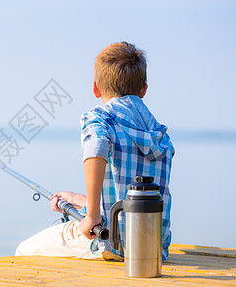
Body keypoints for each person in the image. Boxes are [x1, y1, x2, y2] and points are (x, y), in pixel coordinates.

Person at [15, 42, 174, 261]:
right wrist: (77, 199)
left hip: (111, 242)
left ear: (95, 88)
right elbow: (129, 196)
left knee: (24, 250)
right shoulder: (161, 136)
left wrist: (90, 215)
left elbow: (96, 146)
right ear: (144, 89)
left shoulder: (100, 118)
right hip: (152, 247)